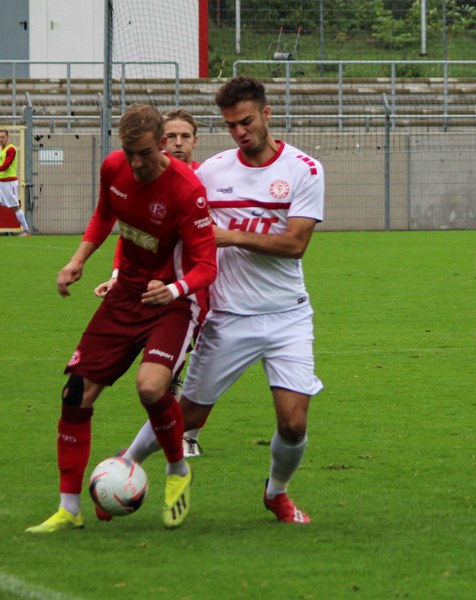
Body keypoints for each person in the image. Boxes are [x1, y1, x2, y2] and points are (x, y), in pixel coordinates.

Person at [121, 76, 324, 524]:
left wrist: (229, 235)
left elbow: (295, 244)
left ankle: (277, 493)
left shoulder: (304, 169)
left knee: (293, 423)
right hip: (230, 316)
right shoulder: (211, 173)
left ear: (266, 115)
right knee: (187, 415)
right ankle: (124, 465)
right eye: (231, 125)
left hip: (288, 316)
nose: (239, 132)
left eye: (246, 122)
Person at [25, 103, 217, 533]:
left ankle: (177, 470)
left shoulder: (187, 190)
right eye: (130, 153)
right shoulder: (114, 167)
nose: (137, 163)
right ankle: (68, 509)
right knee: (75, 394)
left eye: (145, 153)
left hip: (172, 302)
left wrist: (172, 289)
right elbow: (104, 214)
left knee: (150, 387)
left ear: (162, 144)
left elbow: (207, 266)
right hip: (126, 293)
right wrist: (78, 260)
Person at [93, 108, 206, 457]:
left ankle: (187, 435)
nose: (177, 143)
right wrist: (117, 275)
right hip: (161, 290)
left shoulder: (205, 179)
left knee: (202, 366)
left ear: (196, 140)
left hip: (203, 285)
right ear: (160, 141)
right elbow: (132, 235)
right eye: (171, 137)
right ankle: (173, 441)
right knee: (168, 373)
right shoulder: (144, 178)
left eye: (185, 136)